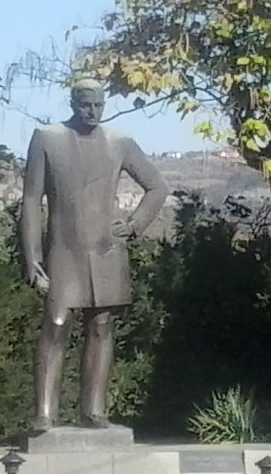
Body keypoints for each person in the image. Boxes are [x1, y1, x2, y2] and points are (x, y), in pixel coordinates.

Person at [20, 78, 169, 431]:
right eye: (86, 105)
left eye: (99, 105)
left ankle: (94, 410)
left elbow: (157, 187)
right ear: (73, 103)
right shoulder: (48, 138)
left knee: (101, 327)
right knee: (56, 325)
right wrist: (32, 258)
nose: (93, 111)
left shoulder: (119, 142)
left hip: (106, 250)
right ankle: (45, 413)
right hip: (63, 250)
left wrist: (134, 225)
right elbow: (31, 200)